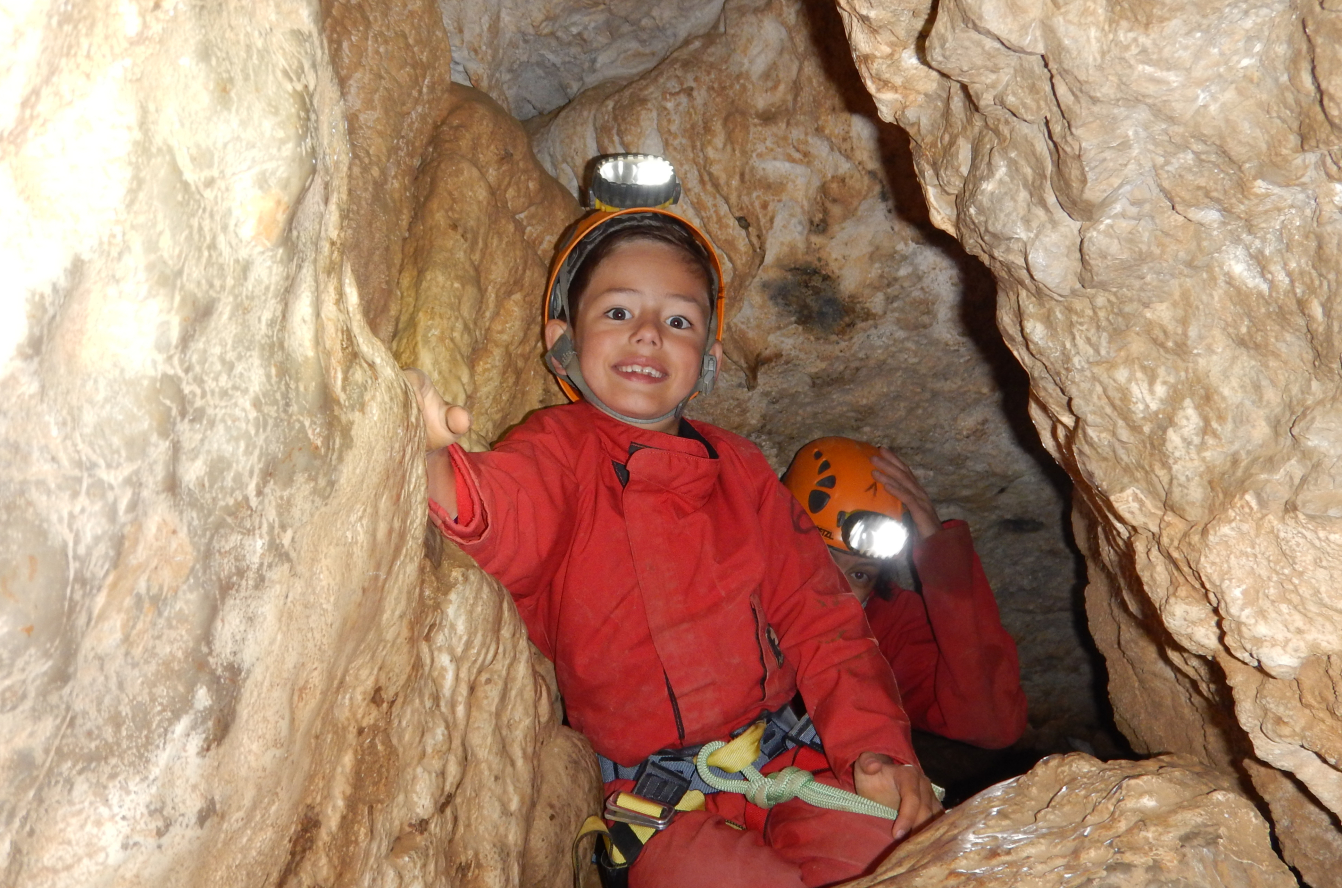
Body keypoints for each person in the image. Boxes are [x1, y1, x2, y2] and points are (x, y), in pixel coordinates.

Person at [409, 198, 939, 888]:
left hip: (793, 762)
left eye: (679, 321)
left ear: (709, 358)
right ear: (563, 339)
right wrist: (432, 467)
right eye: (619, 312)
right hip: (657, 809)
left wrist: (877, 749)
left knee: (890, 852)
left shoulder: (741, 470)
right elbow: (509, 518)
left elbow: (825, 619)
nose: (649, 334)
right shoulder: (559, 448)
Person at [783, 438, 1026, 750]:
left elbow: (992, 724)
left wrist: (940, 554)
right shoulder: (730, 587)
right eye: (820, 559)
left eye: (860, 574)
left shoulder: (884, 628)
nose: (835, 591)